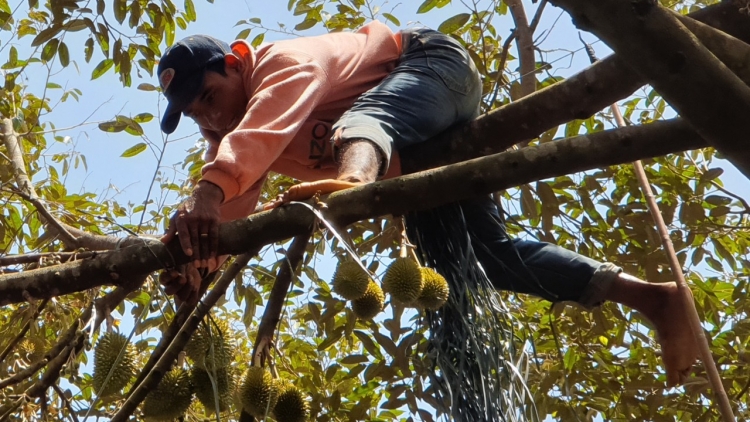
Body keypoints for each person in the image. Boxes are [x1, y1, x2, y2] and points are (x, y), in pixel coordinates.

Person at [156, 23, 698, 386]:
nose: (210, 119)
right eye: (195, 116)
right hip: (414, 158)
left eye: (209, 97)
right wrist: (196, 264)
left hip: (432, 69)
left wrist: (206, 192)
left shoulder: (283, 64)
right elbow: (230, 208)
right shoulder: (233, 145)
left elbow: (248, 148)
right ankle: (652, 298)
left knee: (362, 124)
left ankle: (354, 184)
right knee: (482, 258)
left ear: (235, 63)